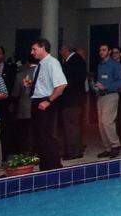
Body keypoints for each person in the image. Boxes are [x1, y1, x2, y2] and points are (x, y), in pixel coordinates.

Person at [27, 38, 67, 171]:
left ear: (43, 48)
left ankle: (54, 166)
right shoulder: (40, 64)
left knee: (47, 135)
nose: (32, 52)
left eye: (34, 49)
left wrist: (48, 101)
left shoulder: (52, 63)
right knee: (39, 135)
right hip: (38, 100)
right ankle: (44, 166)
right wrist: (31, 85)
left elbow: (61, 85)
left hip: (46, 101)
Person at [59, 45, 88, 160]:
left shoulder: (74, 61)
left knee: (71, 126)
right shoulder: (74, 61)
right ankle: (73, 150)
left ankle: (73, 152)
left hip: (72, 100)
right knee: (71, 126)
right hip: (73, 99)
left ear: (65, 51)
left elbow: (71, 80)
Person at [94, 43, 121, 158]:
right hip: (101, 96)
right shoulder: (100, 65)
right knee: (101, 123)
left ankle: (115, 145)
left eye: (104, 50)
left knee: (107, 121)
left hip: (111, 95)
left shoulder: (115, 65)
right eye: (100, 50)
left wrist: (106, 87)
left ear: (109, 51)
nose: (101, 52)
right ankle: (108, 147)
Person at [10, 56, 36, 155]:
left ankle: (27, 154)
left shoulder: (21, 75)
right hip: (42, 107)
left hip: (24, 108)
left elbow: (15, 93)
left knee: (26, 134)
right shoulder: (43, 73)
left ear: (27, 63)